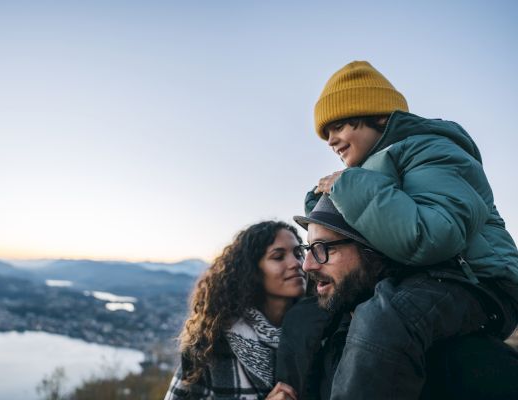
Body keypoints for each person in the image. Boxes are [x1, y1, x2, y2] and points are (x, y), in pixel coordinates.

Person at [300, 61, 518, 399]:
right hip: (437, 278)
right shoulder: (373, 169)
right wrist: (321, 203)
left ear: (379, 117)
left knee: (387, 318)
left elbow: (433, 237)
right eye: (325, 133)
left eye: (340, 125)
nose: (331, 140)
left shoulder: (433, 150)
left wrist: (350, 189)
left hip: (483, 281)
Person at [274, 195, 518, 400]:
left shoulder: (475, 362)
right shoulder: (318, 332)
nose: (306, 265)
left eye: (324, 248)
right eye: (308, 249)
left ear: (375, 250)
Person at [164, 220, 307, 399]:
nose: (297, 263)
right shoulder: (211, 346)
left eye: (299, 253)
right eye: (278, 257)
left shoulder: (322, 334)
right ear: (252, 271)